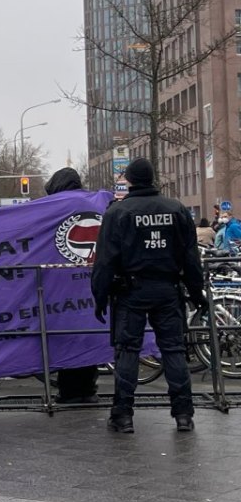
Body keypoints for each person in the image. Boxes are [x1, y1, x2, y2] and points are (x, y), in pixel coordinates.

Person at [91, 158, 205, 434]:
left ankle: (123, 415)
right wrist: (196, 292)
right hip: (168, 289)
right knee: (174, 350)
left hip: (131, 291)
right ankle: (183, 415)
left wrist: (100, 295)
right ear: (153, 179)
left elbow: (105, 260)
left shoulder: (117, 213)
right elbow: (191, 257)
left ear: (129, 180)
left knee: (128, 351)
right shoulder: (176, 209)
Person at [45, 168, 100, 405]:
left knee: (67, 336)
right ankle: (88, 387)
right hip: (92, 284)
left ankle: (69, 391)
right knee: (90, 334)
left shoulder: (51, 209)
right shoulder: (96, 202)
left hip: (62, 287)